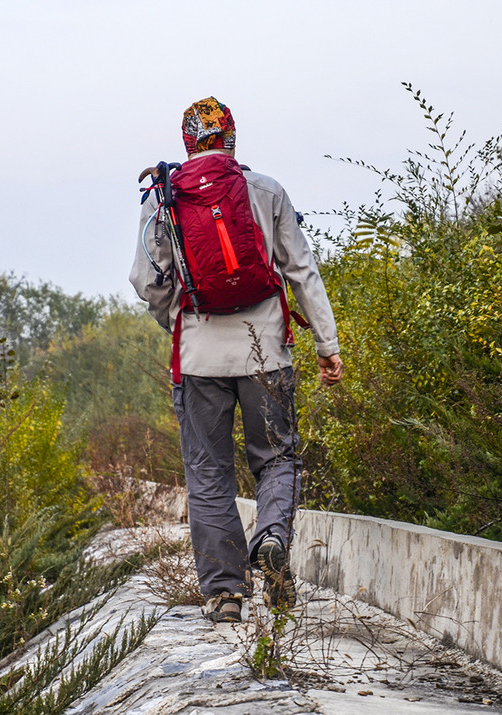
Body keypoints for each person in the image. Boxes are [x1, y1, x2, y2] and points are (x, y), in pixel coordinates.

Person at [129, 97, 343, 624]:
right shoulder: (267, 191)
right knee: (276, 459)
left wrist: (182, 320)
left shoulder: (164, 199)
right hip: (266, 351)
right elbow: (302, 270)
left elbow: (144, 280)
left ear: (187, 143)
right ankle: (270, 539)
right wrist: (326, 343)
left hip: (199, 357)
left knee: (208, 473)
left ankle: (225, 594)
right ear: (231, 138)